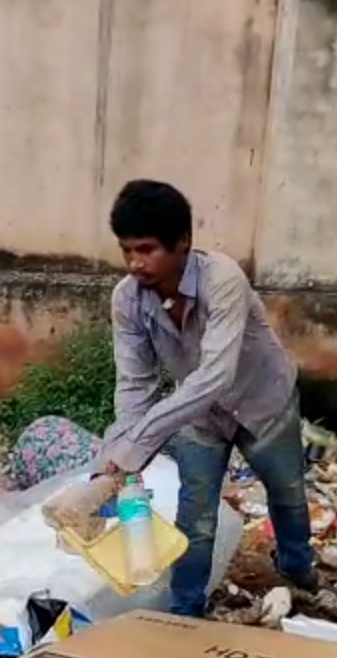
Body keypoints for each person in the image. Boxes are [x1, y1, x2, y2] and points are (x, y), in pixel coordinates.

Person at [97, 178, 319, 617]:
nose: (135, 263)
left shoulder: (222, 279)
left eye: (146, 249)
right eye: (127, 251)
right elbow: (134, 383)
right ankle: (186, 610)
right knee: (195, 516)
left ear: (182, 243)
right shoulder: (127, 299)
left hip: (262, 401)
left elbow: (216, 376)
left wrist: (137, 445)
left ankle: (297, 568)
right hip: (201, 415)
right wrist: (119, 450)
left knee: (287, 492)